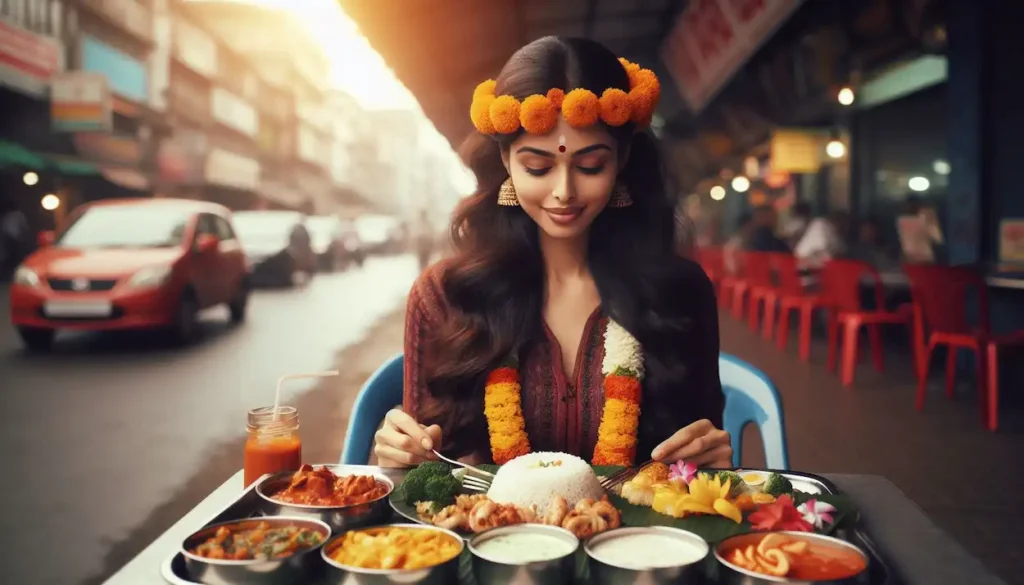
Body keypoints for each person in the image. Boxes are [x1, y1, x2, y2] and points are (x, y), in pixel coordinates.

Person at [374, 37, 729, 470]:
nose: (564, 192)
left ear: (623, 157)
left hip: (641, 534)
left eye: (590, 166)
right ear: (505, 159)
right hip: (487, 530)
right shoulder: (445, 295)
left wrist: (710, 457)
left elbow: (701, 458)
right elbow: (423, 475)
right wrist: (402, 452)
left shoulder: (679, 291)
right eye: (538, 167)